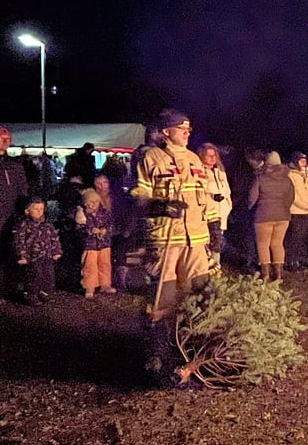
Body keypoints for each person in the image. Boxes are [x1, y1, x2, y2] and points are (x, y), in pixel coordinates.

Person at [132, 109, 220, 322]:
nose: (187, 133)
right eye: (181, 129)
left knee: (201, 289)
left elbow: (203, 194)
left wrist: (214, 223)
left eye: (188, 129)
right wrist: (160, 206)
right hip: (167, 237)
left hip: (196, 237)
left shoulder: (194, 159)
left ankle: (197, 337)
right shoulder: (151, 158)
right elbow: (139, 196)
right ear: (166, 131)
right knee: (165, 293)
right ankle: (158, 349)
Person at [249, 151, 294, 282]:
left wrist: (250, 208)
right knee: (278, 243)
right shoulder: (287, 178)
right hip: (283, 215)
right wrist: (284, 207)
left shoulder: (260, 177)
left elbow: (252, 197)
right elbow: (291, 197)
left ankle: (266, 274)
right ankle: (279, 273)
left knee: (263, 244)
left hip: (263, 215)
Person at [13, 197, 62, 305]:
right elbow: (19, 241)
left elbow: (54, 238)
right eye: (36, 209)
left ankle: (45, 294)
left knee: (49, 275)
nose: (39, 211)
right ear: (27, 211)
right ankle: (32, 295)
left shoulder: (47, 224)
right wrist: (22, 256)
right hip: (33, 257)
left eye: (41, 208)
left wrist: (56, 251)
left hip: (47, 255)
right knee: (35, 276)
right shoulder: (23, 225)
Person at [0, 126, 30, 298]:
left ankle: (7, 288)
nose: (6, 141)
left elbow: (22, 190)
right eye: (2, 138)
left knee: (10, 251)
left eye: (8, 138)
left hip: (10, 214)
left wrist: (26, 207)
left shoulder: (14, 165)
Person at [198, 142, 232, 272]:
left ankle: (215, 270)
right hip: (206, 214)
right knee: (205, 243)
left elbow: (227, 191)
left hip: (221, 214)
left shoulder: (220, 172)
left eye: (214, 155)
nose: (213, 158)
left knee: (217, 243)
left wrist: (228, 207)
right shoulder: (199, 172)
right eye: (209, 156)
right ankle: (203, 271)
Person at [75, 188, 115, 298]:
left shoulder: (104, 212)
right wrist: (90, 230)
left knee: (105, 264)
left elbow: (111, 225)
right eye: (91, 202)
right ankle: (89, 287)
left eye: (96, 201)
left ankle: (105, 284)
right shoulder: (82, 215)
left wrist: (105, 230)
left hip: (104, 244)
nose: (94, 204)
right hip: (90, 245)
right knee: (90, 266)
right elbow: (80, 229)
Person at [285, 151, 308, 270]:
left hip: (307, 211)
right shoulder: (291, 175)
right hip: (296, 211)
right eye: (301, 161)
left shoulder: (306, 174)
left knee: (303, 237)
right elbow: (293, 194)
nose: (304, 163)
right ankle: (291, 261)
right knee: (294, 237)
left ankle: (298, 259)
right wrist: (304, 206)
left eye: (305, 161)